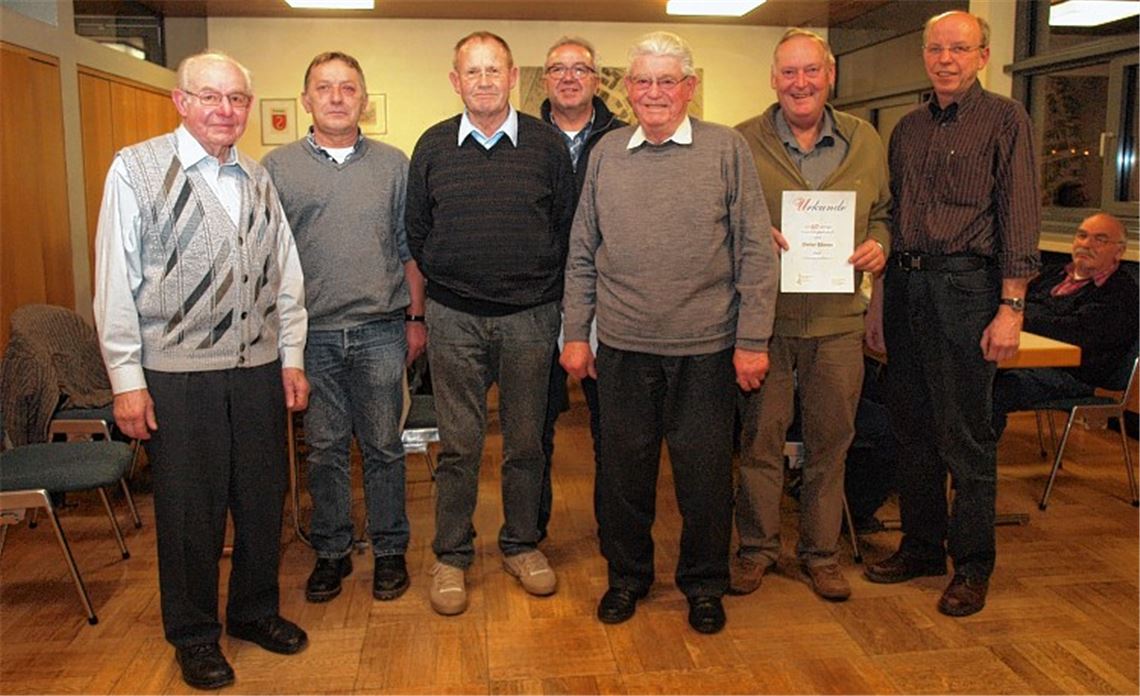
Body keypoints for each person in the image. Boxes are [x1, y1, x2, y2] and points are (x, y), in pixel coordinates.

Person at [93, 52, 309, 690]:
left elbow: (285, 276)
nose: (226, 110)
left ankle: (254, 611)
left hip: (257, 369)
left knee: (262, 499)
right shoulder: (134, 171)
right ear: (180, 101)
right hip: (178, 376)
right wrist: (127, 379)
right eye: (210, 97)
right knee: (192, 511)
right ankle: (192, 633)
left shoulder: (257, 177)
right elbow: (114, 284)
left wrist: (290, 357)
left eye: (237, 98)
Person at [561, 31, 778, 635]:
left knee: (704, 477)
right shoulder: (605, 153)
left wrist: (753, 340)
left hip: (707, 350)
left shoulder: (725, 149)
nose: (654, 92)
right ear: (627, 90)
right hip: (623, 350)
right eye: (642, 81)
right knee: (623, 474)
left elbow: (756, 252)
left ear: (689, 87)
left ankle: (704, 585)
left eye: (667, 81)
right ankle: (627, 578)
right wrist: (576, 333)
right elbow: (583, 252)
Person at [864, 11, 1041, 618]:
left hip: (968, 289)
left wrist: (1011, 307)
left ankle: (972, 564)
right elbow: (893, 221)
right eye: (936, 48)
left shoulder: (1006, 119)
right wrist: (881, 305)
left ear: (983, 55)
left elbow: (1019, 216)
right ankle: (920, 547)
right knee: (911, 427)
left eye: (959, 49)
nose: (946, 59)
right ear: (924, 55)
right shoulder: (907, 129)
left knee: (965, 435)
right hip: (906, 287)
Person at [405, 31, 577, 616]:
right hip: (454, 319)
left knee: (526, 442)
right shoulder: (431, 146)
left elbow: (567, 226)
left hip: (531, 318)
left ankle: (520, 543)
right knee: (459, 446)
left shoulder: (547, 146)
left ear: (511, 77)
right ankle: (451, 554)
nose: (483, 81)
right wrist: (446, 291)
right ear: (455, 81)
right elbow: (417, 234)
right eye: (471, 72)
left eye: (493, 70)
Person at [730, 28, 890, 602]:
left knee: (831, 442)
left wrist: (880, 243)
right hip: (765, 322)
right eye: (789, 72)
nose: (801, 83)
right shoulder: (741, 142)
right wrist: (750, 234)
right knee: (760, 442)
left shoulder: (865, 139)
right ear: (773, 79)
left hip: (838, 322)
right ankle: (756, 549)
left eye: (811, 71)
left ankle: (821, 554)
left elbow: (887, 213)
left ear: (830, 76)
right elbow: (719, 219)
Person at [263, 52, 426, 605]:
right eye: (324, 88)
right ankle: (330, 551)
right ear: (306, 98)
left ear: (364, 99)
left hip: (381, 328)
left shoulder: (393, 164)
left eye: (348, 88)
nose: (336, 97)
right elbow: (267, 260)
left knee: (383, 445)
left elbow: (409, 251)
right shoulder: (277, 169)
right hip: (312, 337)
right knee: (326, 450)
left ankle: (388, 550)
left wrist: (416, 319)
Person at [537, 36, 626, 540]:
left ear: (597, 78)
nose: (569, 77)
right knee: (534, 431)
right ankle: (531, 535)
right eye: (558, 69)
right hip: (539, 304)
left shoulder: (625, 139)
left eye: (581, 69)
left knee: (612, 432)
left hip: (607, 307)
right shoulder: (524, 140)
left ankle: (616, 536)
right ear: (546, 79)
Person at [993, 212, 1138, 435]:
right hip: (1028, 359)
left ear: (1119, 251)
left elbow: (1073, 331)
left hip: (1074, 374)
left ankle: (976, 465)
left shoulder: (1120, 291)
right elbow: (1021, 307)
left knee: (992, 390)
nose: (1087, 244)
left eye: (1100, 239)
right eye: (1082, 236)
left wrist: (1020, 318)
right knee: (969, 374)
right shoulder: (1054, 275)